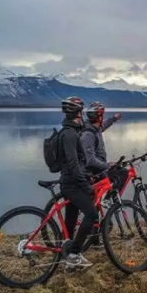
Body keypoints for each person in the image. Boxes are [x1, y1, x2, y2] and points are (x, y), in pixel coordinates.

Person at [58, 96, 97, 268]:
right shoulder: (69, 134)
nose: (83, 115)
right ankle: (74, 254)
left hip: (71, 182)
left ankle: (68, 255)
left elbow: (78, 163)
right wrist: (85, 185)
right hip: (71, 184)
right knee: (92, 214)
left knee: (71, 220)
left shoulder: (72, 132)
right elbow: (73, 164)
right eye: (81, 111)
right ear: (78, 113)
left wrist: (87, 176)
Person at [80, 101, 126, 193]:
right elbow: (90, 160)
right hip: (93, 171)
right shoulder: (89, 134)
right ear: (99, 116)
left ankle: (109, 201)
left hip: (97, 168)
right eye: (103, 114)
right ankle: (111, 201)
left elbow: (104, 126)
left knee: (118, 171)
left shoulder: (95, 128)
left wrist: (114, 118)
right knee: (122, 172)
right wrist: (107, 165)